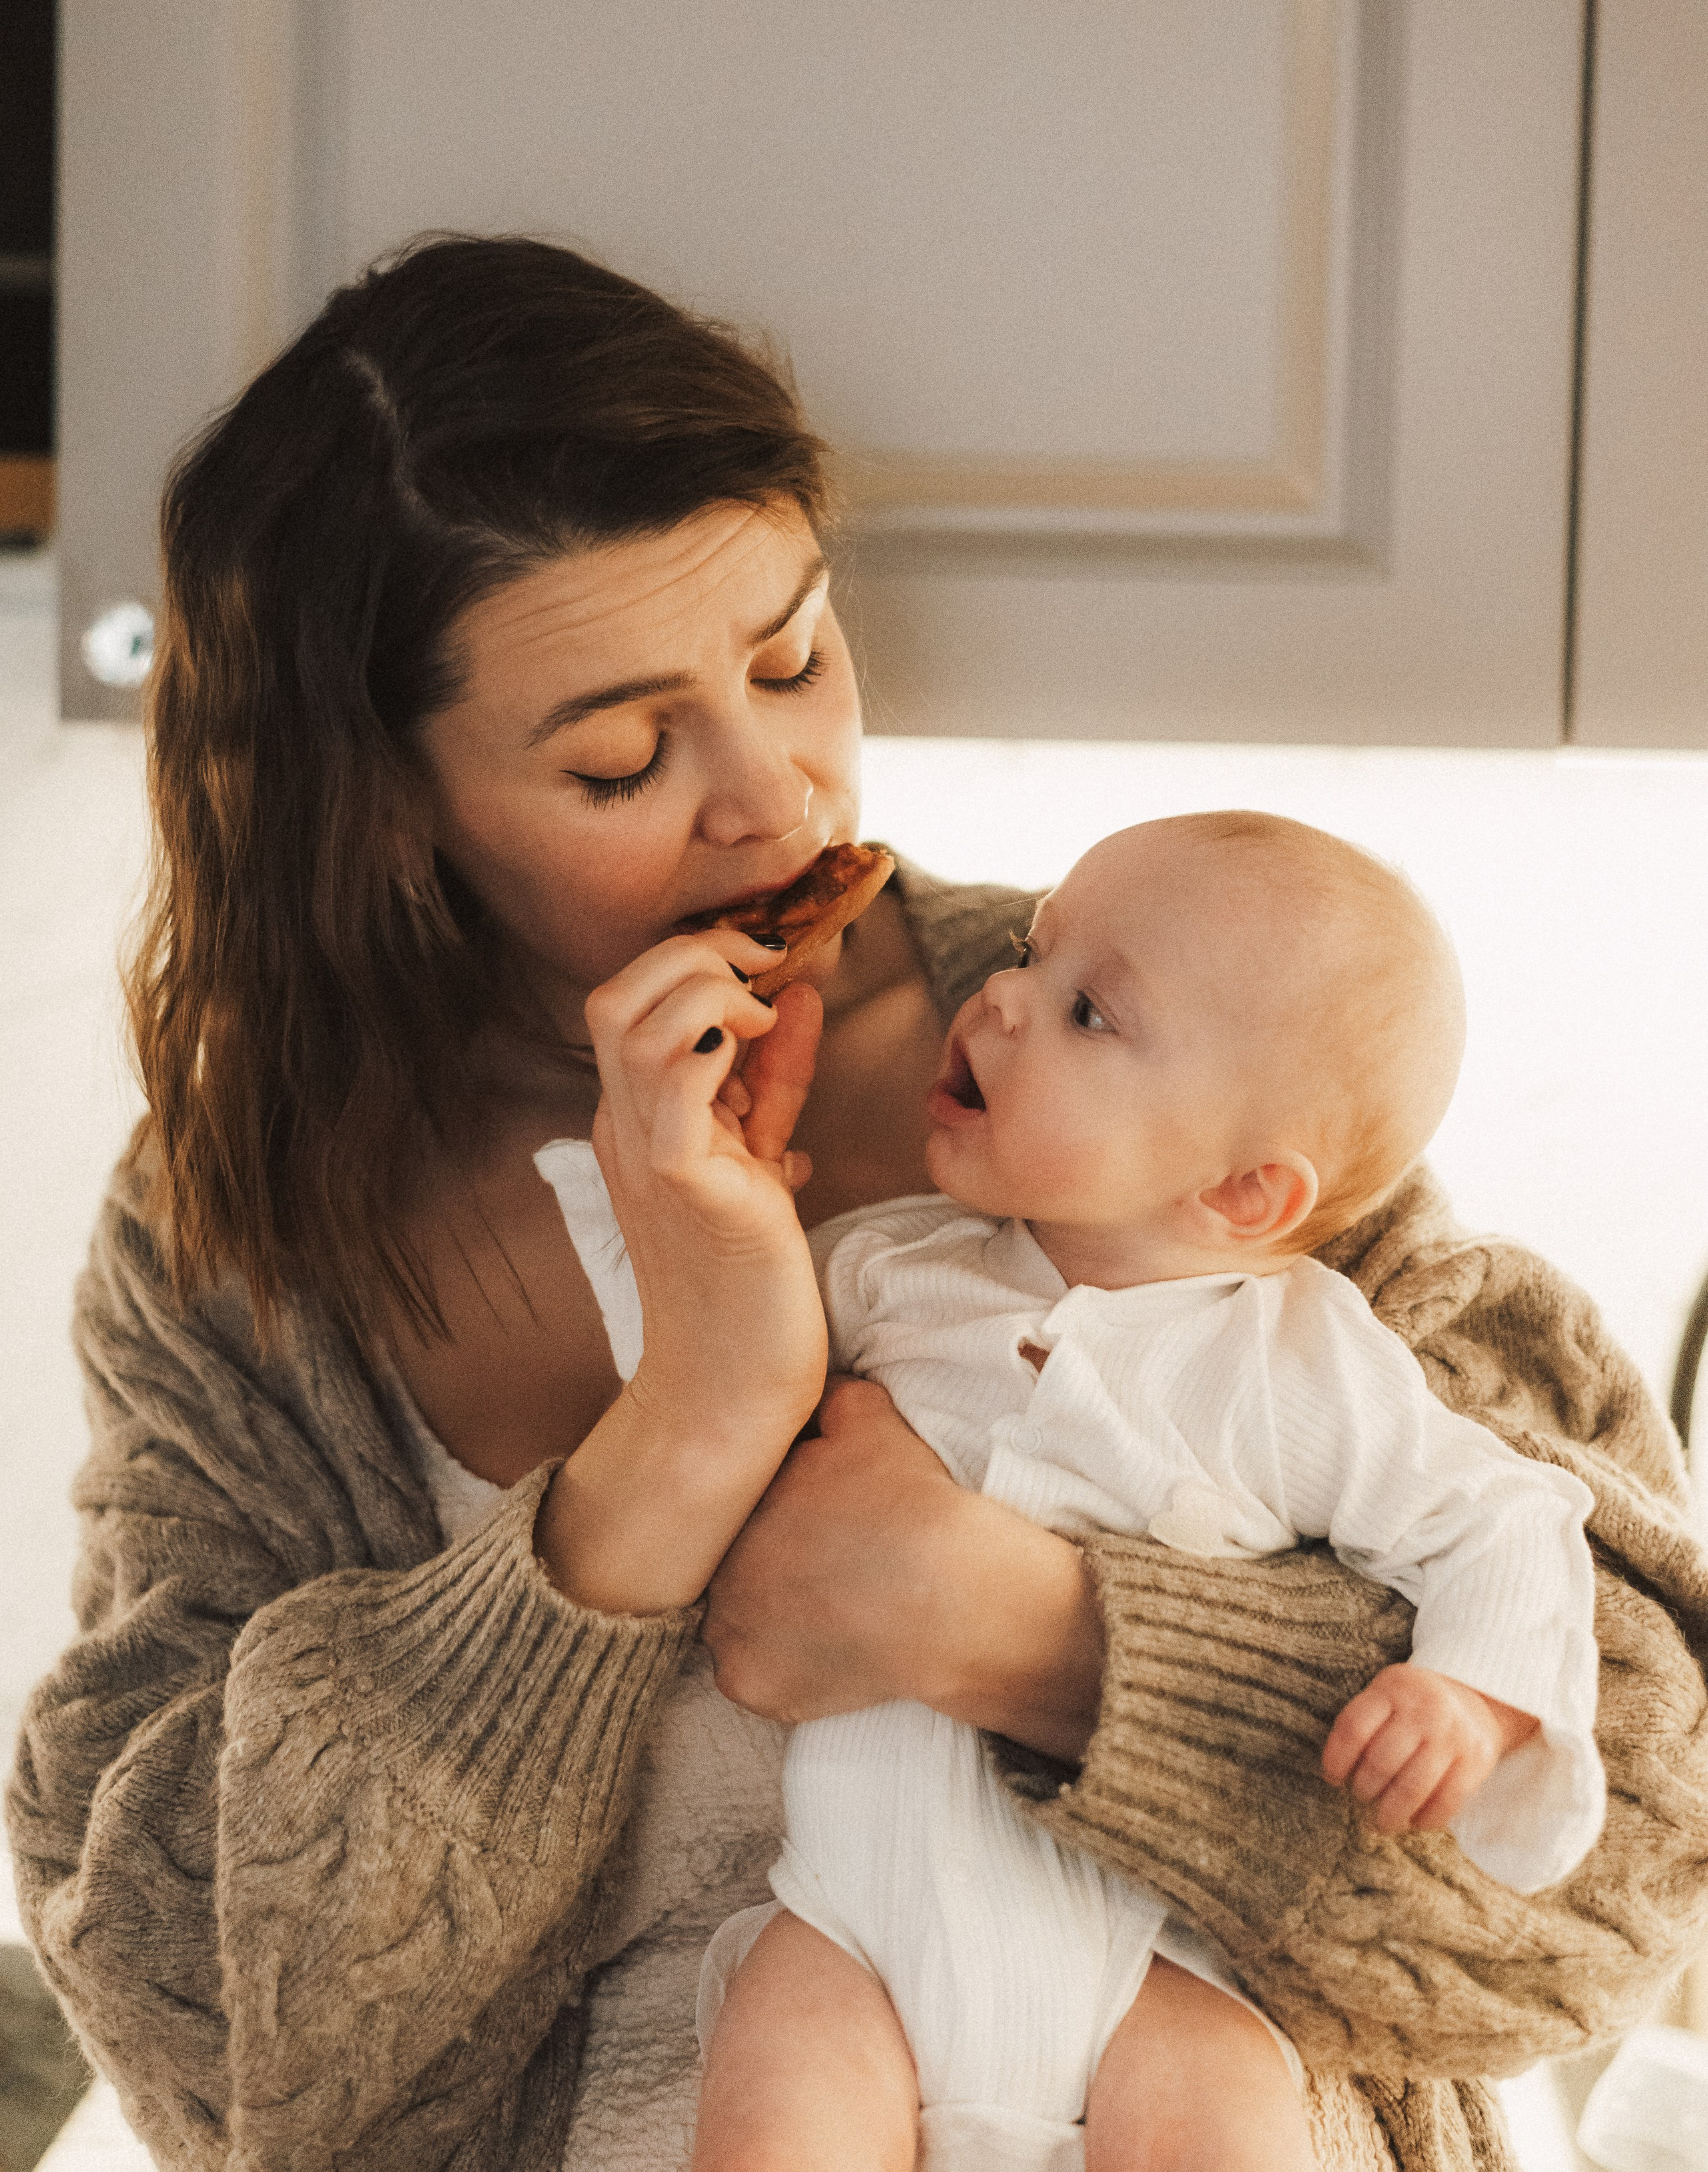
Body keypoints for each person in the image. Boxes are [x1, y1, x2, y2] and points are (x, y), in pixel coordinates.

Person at [5, 235, 1707, 2172]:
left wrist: (1042, 1636)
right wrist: (676, 1451)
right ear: (388, 811)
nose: (779, 800)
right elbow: (193, 2018)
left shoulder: (1155, 1041)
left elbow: (1631, 1847)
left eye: (797, 654)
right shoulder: (248, 1232)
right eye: (626, 757)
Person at [684, 813, 1602, 2172]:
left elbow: (1503, 1518)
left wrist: (1466, 1687)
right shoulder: (883, 1270)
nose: (996, 1000)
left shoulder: (1291, 1359)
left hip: (1147, 1965)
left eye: (1085, 1010)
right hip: (850, 1936)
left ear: (1240, 1190)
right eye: (1025, 951)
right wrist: (712, 1212)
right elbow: (697, 1388)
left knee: (1227, 2119)